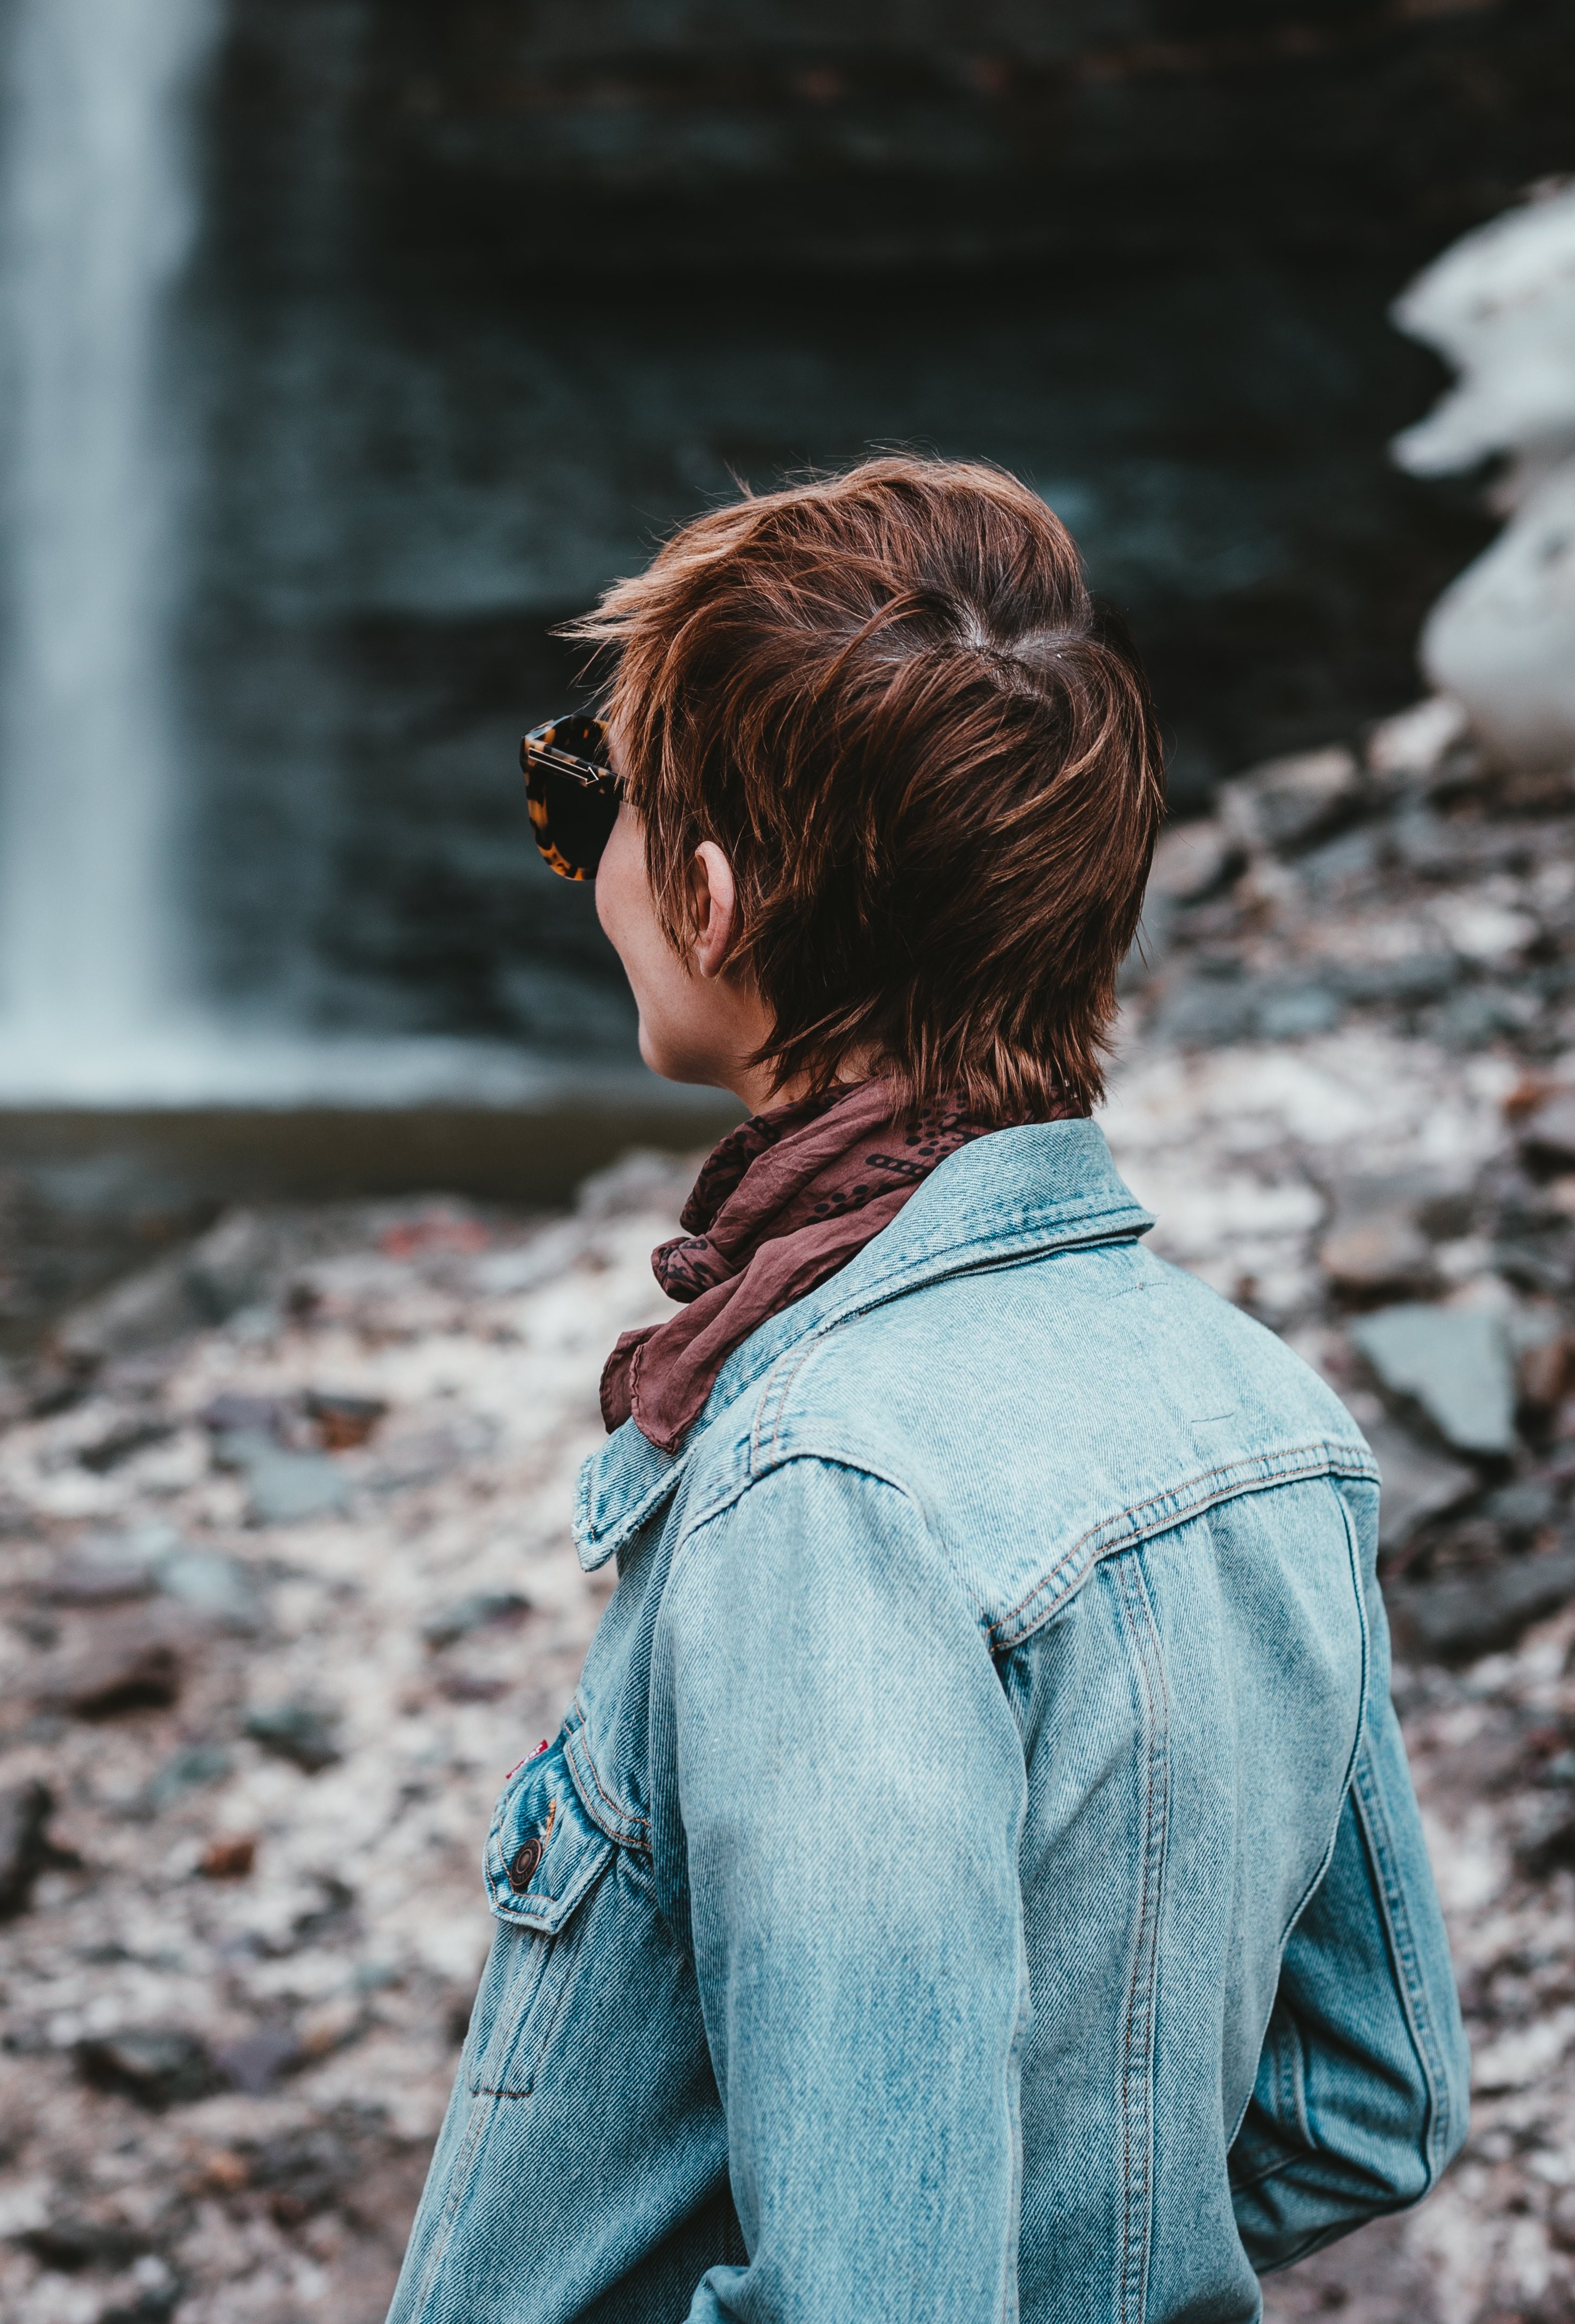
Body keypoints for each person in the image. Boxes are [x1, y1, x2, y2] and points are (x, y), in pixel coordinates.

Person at [388, 455, 1468, 2324]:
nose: (584, 864)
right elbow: (1368, 2112)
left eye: (593, 809)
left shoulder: (830, 1489)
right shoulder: (1265, 1413)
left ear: (711, 902)